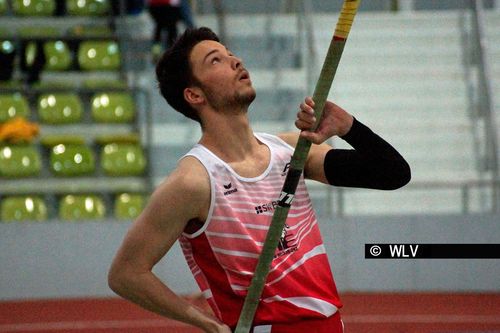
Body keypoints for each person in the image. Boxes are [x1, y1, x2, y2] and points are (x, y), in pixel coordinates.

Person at [108, 27, 411, 333]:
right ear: (194, 94)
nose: (235, 61)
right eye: (216, 61)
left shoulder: (292, 151)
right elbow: (126, 273)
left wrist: (349, 127)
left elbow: (393, 173)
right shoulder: (193, 181)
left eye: (230, 54)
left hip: (330, 325)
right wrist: (207, 324)